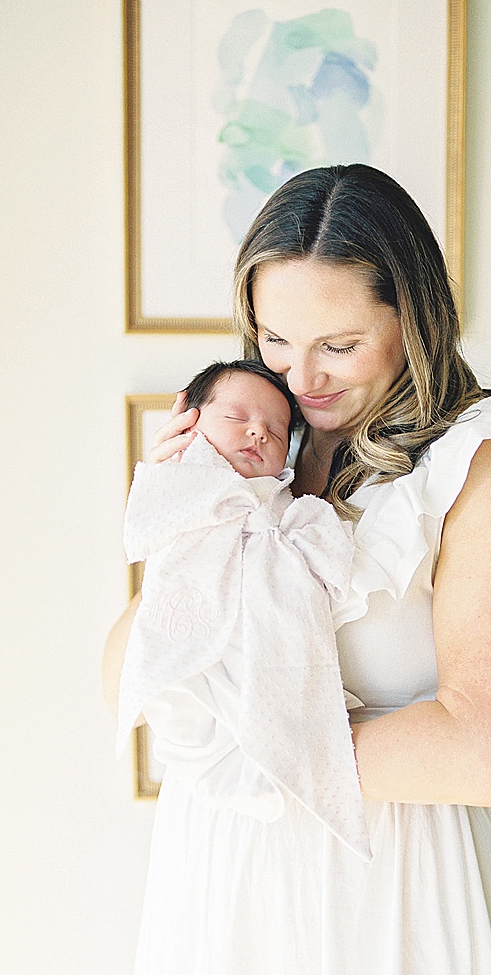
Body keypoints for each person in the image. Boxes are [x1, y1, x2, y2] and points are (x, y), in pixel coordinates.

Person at [104, 163, 491, 975]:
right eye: (275, 339)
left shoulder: (487, 463)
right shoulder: (257, 455)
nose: (301, 376)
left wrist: (250, 739)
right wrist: (187, 511)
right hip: (228, 884)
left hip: (398, 890)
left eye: (339, 344)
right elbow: (130, 678)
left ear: (414, 322)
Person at [116, 358, 369, 858]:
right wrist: (175, 481)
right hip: (196, 657)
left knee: (277, 681)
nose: (258, 431)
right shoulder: (182, 490)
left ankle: (267, 755)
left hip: (263, 647)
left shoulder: (289, 509)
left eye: (276, 431)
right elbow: (154, 545)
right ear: (189, 420)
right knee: (189, 706)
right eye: (236, 419)